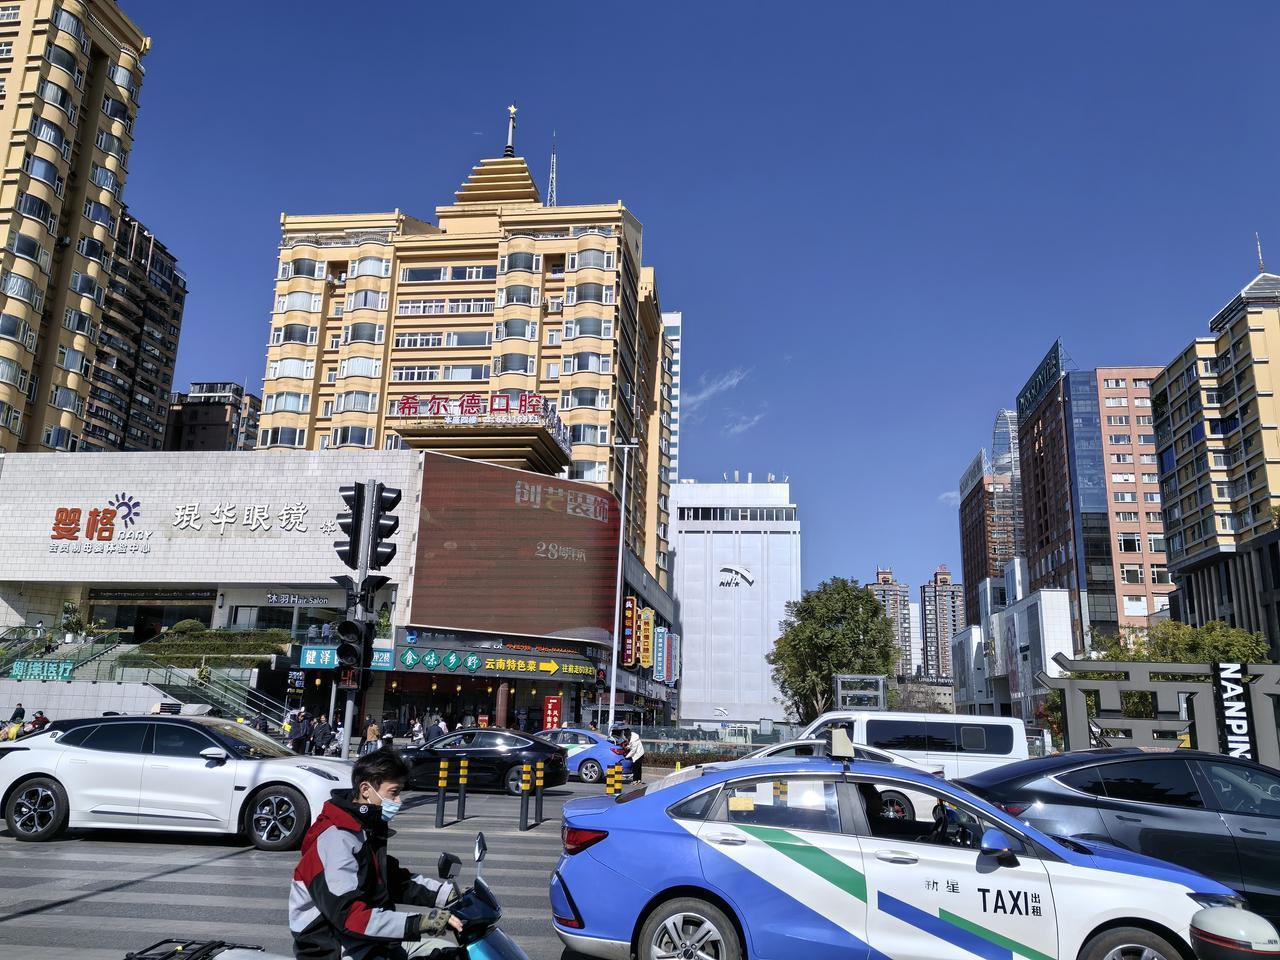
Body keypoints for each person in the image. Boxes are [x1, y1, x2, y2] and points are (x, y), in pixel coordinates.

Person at [290, 750, 462, 960]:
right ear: (366, 790)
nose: (399, 801)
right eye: (393, 793)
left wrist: (448, 895)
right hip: (336, 950)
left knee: (452, 953)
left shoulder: (364, 828)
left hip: (370, 941)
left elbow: (394, 881)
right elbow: (350, 916)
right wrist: (420, 923)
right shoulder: (336, 838)